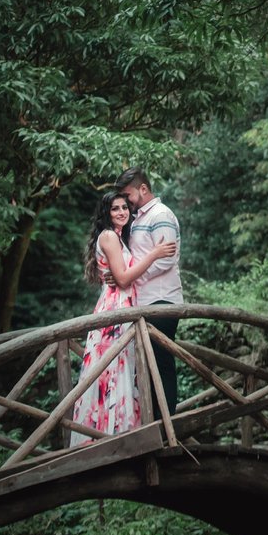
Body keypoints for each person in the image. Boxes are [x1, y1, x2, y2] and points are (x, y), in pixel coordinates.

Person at [69, 190, 175, 445]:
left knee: (124, 369)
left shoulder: (118, 237)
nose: (122, 212)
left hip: (124, 305)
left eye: (124, 207)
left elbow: (119, 275)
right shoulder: (108, 236)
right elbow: (125, 278)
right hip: (115, 310)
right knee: (111, 370)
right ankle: (105, 438)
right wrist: (155, 254)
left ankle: (121, 434)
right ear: (106, 213)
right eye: (115, 208)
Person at [116, 166, 183, 415]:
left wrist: (133, 277)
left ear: (143, 189)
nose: (125, 201)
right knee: (147, 363)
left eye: (128, 195)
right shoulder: (139, 218)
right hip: (145, 301)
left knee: (162, 363)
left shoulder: (161, 215)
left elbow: (167, 259)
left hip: (162, 300)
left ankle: (165, 425)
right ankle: (152, 420)